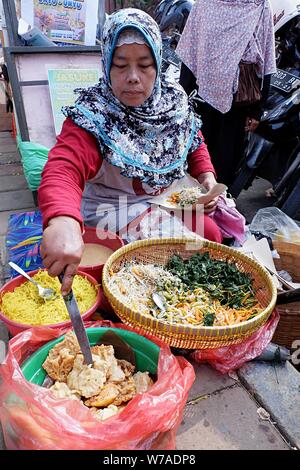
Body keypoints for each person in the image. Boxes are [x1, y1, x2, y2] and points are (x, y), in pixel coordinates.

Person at [39, 8, 224, 295]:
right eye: (121, 65)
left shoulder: (173, 103)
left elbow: (193, 140)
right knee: (168, 262)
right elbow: (63, 167)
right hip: (110, 207)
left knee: (211, 234)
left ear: (158, 65)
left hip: (165, 198)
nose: (133, 77)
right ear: (106, 64)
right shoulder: (94, 115)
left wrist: (207, 178)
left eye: (145, 64)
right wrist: (62, 219)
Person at [176, 0, 276, 187]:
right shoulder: (205, 4)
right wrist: (181, 98)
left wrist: (256, 111)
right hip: (202, 97)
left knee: (226, 162)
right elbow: (190, 51)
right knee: (196, 157)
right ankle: (192, 207)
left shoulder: (259, 5)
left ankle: (218, 207)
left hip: (238, 102)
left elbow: (266, 56)